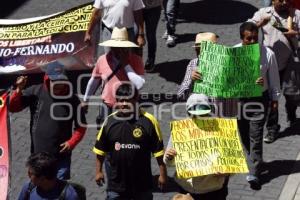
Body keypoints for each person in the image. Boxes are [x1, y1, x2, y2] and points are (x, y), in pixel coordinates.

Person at [9, 63, 87, 180]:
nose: (58, 85)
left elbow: (81, 127)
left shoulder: (72, 99)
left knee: (59, 194)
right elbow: (13, 107)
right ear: (47, 78)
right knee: (37, 191)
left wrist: (71, 143)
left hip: (61, 159)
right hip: (38, 158)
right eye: (54, 81)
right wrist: (19, 89)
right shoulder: (35, 91)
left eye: (61, 82)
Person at [93, 83, 167, 200]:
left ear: (136, 99)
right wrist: (98, 172)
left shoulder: (149, 121)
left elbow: (159, 152)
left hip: (142, 184)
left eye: (128, 100)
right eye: (120, 101)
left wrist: (162, 175)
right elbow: (100, 150)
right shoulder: (109, 121)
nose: (124, 104)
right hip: (116, 184)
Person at [237, 22, 281, 190]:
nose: (253, 41)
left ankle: (254, 171)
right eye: (249, 38)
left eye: (256, 38)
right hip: (239, 100)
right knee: (243, 134)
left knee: (255, 135)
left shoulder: (267, 53)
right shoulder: (233, 53)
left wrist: (274, 100)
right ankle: (255, 160)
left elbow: (274, 79)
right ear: (242, 38)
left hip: (259, 100)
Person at [249, 0, 300, 141]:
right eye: (280, 0)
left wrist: (295, 33)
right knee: (273, 98)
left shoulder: (296, 15)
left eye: (286, 0)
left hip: (291, 64)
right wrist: (260, 24)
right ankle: (272, 128)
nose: (284, 3)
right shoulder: (263, 13)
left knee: (292, 95)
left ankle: (291, 112)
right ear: (273, 0)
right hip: (271, 65)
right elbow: (246, 29)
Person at [164, 93, 229, 200]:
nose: (199, 117)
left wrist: (227, 171)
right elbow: (169, 162)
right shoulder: (181, 129)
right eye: (194, 114)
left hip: (213, 191)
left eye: (203, 114)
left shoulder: (222, 129)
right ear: (188, 112)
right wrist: (169, 157)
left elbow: (234, 161)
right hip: (186, 188)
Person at [83, 27, 145, 127]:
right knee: (106, 134)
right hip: (107, 105)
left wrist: (126, 65)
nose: (119, 50)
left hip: (128, 106)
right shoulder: (102, 59)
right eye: (116, 47)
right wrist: (86, 100)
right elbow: (94, 80)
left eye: (122, 47)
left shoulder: (136, 60)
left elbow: (139, 84)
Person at [177, 32, 237, 117]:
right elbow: (180, 95)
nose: (200, 54)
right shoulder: (193, 64)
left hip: (223, 118)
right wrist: (191, 79)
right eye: (198, 50)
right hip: (200, 117)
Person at [18, 152, 84, 200]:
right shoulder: (28, 188)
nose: (28, 175)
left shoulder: (69, 195)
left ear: (42, 179)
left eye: (30, 173)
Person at [142, 0, 162, 72]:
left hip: (154, 7)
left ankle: (150, 60)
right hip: (137, 7)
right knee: (136, 33)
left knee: (151, 34)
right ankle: (137, 60)